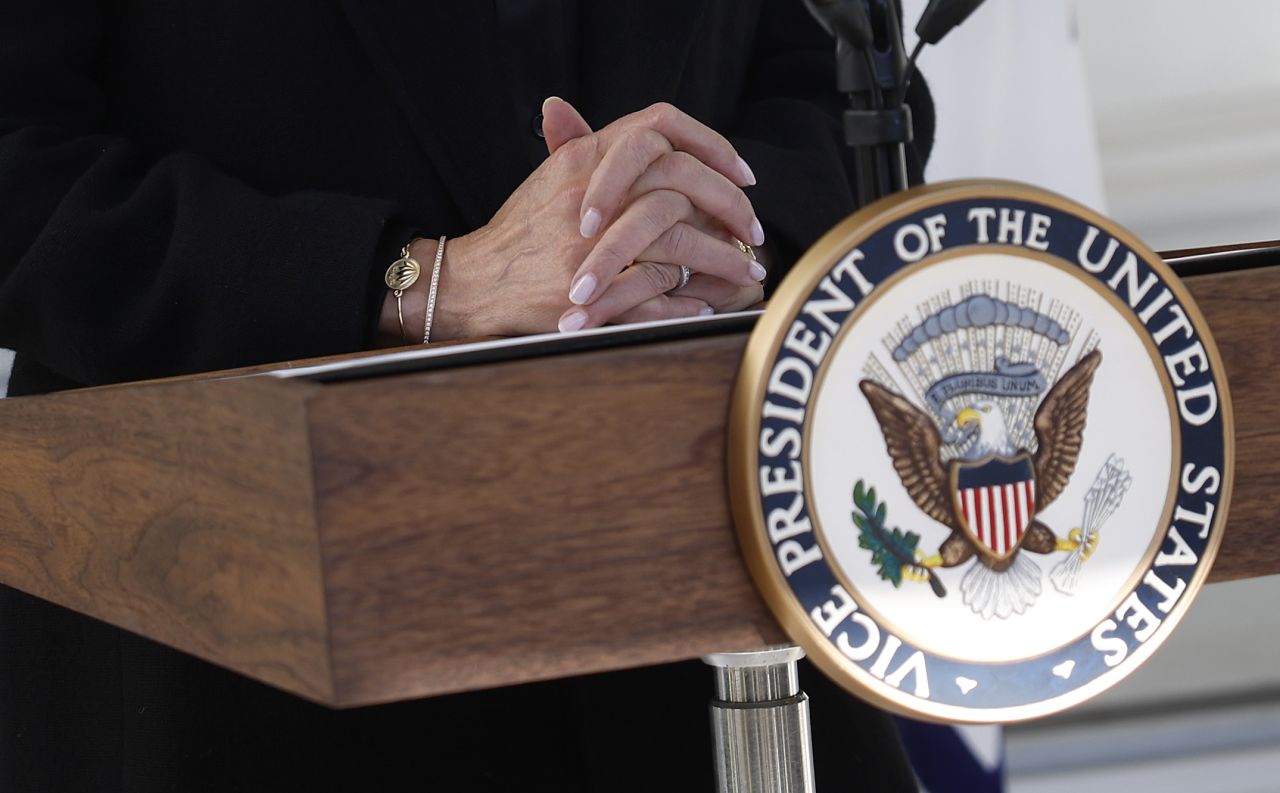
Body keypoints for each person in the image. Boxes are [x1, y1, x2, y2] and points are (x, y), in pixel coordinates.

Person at [0, 1, 934, 790]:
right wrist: (417, 281)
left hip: (727, 577)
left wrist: (724, 227)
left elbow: (855, 81)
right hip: (245, 645)